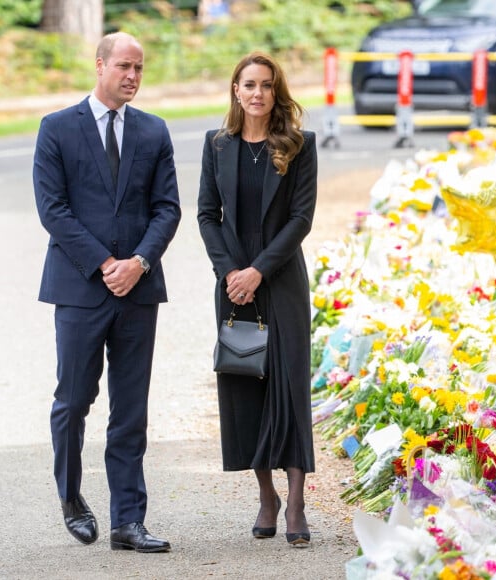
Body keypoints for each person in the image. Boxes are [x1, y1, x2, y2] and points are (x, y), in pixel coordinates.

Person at [33, 32, 181, 552]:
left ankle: (128, 520)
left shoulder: (154, 131)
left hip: (139, 290)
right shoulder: (56, 129)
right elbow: (53, 210)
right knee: (73, 401)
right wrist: (104, 264)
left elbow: (168, 209)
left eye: (139, 68)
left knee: (131, 410)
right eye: (124, 66)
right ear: (99, 65)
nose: (133, 77)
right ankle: (71, 497)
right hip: (79, 288)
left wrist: (139, 263)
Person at [197, 51, 317, 547]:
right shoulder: (217, 144)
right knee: (247, 387)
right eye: (249, 84)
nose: (257, 93)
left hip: (281, 281)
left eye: (266, 85)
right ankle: (266, 496)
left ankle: (296, 503)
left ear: (276, 91)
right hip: (233, 287)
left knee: (288, 388)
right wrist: (232, 273)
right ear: (235, 90)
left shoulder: (299, 145)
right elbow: (207, 214)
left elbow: (300, 219)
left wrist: (258, 271)